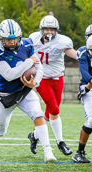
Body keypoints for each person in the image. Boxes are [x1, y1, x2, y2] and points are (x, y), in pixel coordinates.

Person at [0, 19, 56, 163]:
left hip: (24, 91)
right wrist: (29, 62)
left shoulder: (27, 44)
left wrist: (36, 81)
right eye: (8, 39)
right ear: (1, 38)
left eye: (14, 38)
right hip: (5, 96)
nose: (12, 42)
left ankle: (48, 151)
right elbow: (9, 75)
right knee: (0, 130)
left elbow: (39, 66)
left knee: (38, 115)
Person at [28, 15, 76, 156]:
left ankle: (34, 136)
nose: (49, 31)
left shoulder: (63, 41)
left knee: (50, 112)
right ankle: (60, 142)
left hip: (58, 78)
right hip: (41, 78)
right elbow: (26, 53)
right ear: (41, 29)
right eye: (46, 28)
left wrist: (85, 55)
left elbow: (73, 54)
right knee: (54, 109)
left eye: (52, 29)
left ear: (57, 30)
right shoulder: (33, 38)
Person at [72, 35, 92, 163]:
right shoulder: (83, 53)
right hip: (87, 85)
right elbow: (84, 72)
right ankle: (79, 152)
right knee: (91, 120)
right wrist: (88, 88)